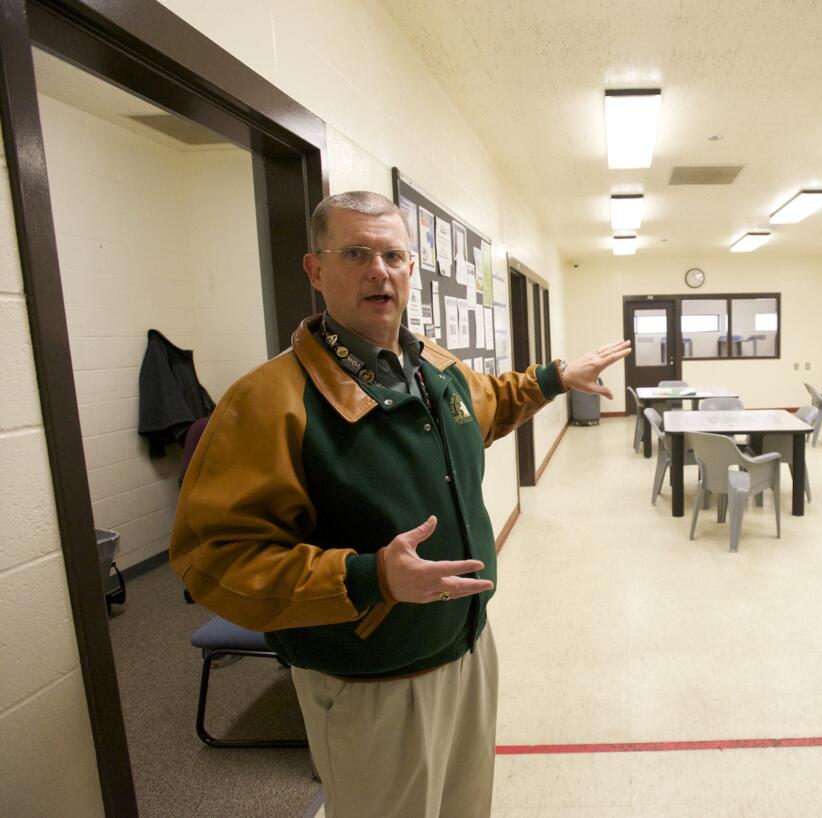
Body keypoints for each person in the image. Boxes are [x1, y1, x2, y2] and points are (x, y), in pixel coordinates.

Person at [170, 191, 629, 817]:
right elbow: (214, 561)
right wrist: (370, 577)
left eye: (392, 254)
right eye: (355, 253)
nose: (377, 270)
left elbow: (487, 404)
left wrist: (552, 378)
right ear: (315, 270)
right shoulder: (267, 400)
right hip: (371, 679)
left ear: (411, 270)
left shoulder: (432, 366)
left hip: (466, 646)